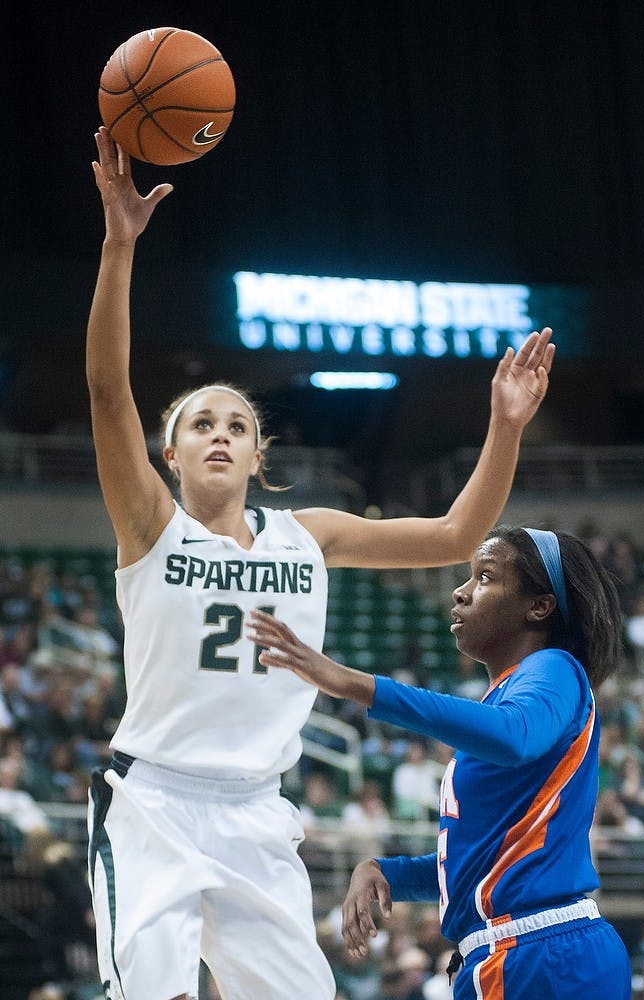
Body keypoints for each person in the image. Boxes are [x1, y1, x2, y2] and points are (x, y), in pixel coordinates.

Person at [86, 124, 554, 1000]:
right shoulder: (150, 525)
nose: (219, 434)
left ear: (259, 456)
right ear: (172, 454)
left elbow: (456, 535)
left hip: (257, 811)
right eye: (200, 425)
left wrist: (504, 426)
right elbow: (108, 392)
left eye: (236, 426)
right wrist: (120, 246)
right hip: (153, 801)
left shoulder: (311, 532)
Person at [246, 526, 632, 998]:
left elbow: (514, 736)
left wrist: (356, 684)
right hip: (520, 953)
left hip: (540, 955)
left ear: (539, 606)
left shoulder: (554, 668)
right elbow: (480, 868)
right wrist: (389, 872)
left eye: (485, 577)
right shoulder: (509, 697)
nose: (461, 590)